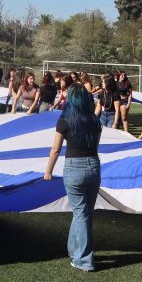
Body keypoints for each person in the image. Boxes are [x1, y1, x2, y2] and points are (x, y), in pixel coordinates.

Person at [44, 83, 102, 272]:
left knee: (80, 213)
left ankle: (84, 260)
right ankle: (74, 249)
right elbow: (95, 147)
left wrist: (48, 171)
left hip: (74, 168)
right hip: (93, 166)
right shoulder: (95, 121)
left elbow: (55, 149)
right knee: (85, 213)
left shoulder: (64, 120)